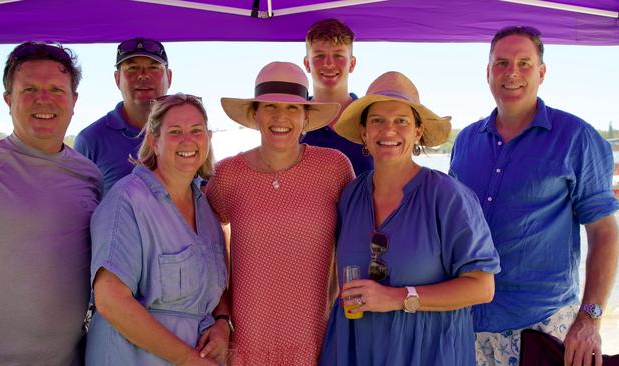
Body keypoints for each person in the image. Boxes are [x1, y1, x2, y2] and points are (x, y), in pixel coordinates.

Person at [449, 25, 619, 366]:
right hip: (466, 325)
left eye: (524, 63)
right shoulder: (465, 142)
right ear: (487, 72)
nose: (512, 72)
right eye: (501, 63)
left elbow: (603, 233)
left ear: (541, 72)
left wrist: (590, 318)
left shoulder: (577, 138)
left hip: (542, 326)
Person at [319, 71, 500, 365]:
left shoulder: (448, 196)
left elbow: (482, 287)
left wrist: (397, 297)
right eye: (377, 120)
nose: (388, 130)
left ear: (417, 131)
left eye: (401, 121)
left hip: (428, 353)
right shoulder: (350, 195)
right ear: (364, 132)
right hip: (356, 350)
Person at [206, 61, 355, 365]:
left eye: (292, 109)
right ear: (254, 115)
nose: (280, 117)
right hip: (246, 339)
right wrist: (221, 314)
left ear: (305, 118)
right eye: (270, 106)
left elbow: (354, 240)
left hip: (316, 337)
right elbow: (207, 248)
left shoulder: (335, 168)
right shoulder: (226, 175)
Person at [0, 42, 102, 365]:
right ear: (8, 100)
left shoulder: (89, 175)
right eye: (29, 88)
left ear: (74, 101)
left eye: (56, 89)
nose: (44, 99)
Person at [86, 93, 230, 365]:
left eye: (196, 131)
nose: (187, 140)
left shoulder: (205, 208)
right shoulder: (127, 201)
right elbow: (110, 300)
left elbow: (217, 289)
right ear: (154, 141)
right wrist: (188, 359)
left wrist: (222, 324)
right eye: (175, 131)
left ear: (208, 138)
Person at [74, 37, 172, 194]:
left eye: (154, 68)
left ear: (169, 77)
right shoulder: (90, 141)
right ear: (117, 78)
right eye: (132, 68)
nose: (143, 75)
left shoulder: (189, 134)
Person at [302, 18, 373, 176]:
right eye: (319, 56)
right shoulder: (294, 118)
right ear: (307, 64)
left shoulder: (370, 117)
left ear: (352, 64)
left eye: (338, 56)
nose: (329, 64)